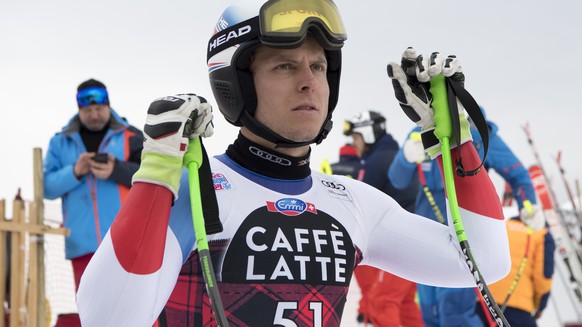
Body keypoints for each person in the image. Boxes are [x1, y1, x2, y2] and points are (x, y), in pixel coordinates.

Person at [76, 1, 510, 326]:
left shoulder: (352, 202)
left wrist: (454, 139)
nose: (309, 81)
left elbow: (485, 262)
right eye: (285, 65)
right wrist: (156, 171)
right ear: (236, 86)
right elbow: (108, 318)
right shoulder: (198, 191)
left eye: (319, 66)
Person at [388, 109, 543, 326]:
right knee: (430, 315)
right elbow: (397, 180)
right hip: (427, 238)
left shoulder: (477, 132)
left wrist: (529, 204)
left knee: (455, 313)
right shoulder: (420, 131)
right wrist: (405, 158)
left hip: (465, 240)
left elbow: (517, 174)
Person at [43, 79, 143, 325]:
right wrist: (75, 171)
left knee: (130, 310)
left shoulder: (132, 136)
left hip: (124, 242)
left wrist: (116, 170)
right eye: (87, 110)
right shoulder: (60, 142)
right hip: (82, 244)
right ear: (79, 109)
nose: (94, 114)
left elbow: (151, 176)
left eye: (99, 108)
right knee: (91, 313)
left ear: (108, 105)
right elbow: (46, 187)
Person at [342, 110, 423, 326]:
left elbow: (358, 205)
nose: (354, 144)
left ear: (368, 135)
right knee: (404, 304)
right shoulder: (391, 156)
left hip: (399, 244)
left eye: (356, 138)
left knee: (382, 301)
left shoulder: (375, 163)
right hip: (413, 242)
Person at [478, 213, 555, 327]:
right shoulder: (542, 234)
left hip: (483, 303)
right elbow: (543, 277)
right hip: (517, 309)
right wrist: (540, 306)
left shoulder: (503, 226)